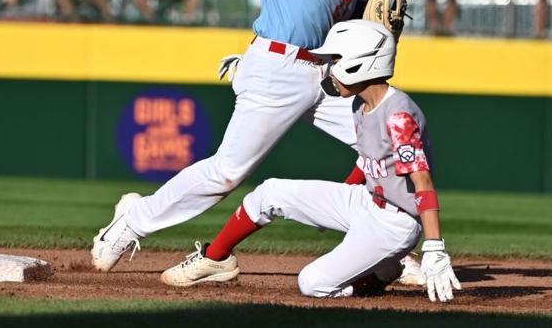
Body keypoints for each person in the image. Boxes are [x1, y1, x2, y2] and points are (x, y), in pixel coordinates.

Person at [91, 0, 392, 275]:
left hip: (333, 73)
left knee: (390, 145)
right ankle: (130, 222)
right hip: (277, 66)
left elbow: (375, 11)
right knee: (227, 173)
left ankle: (390, 254)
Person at [159, 20, 460, 301]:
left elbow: (422, 180)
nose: (328, 68)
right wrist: (336, 202)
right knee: (269, 192)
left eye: (336, 60)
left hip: (395, 224)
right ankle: (216, 259)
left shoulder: (398, 115)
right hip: (366, 202)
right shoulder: (359, 104)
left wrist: (434, 246)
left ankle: (375, 275)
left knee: (313, 283)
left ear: (361, 61)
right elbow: (369, 161)